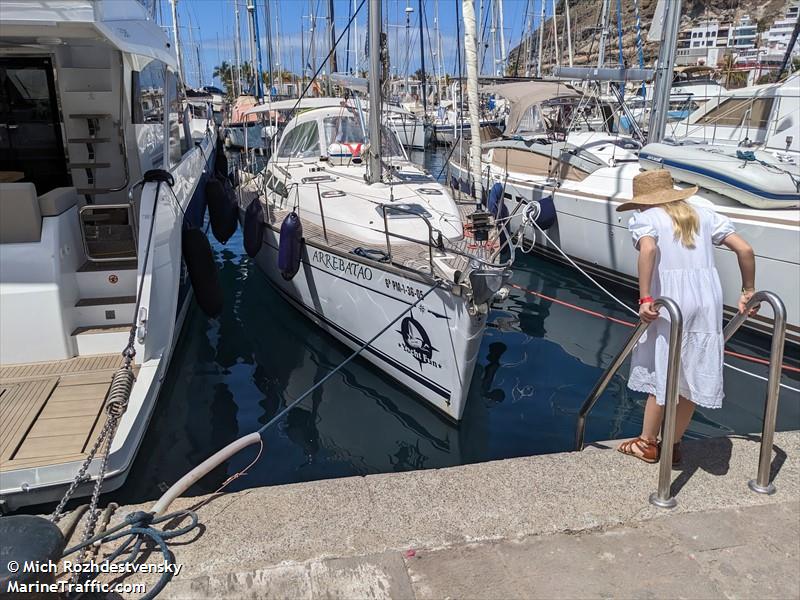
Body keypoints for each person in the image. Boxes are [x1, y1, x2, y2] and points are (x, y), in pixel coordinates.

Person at [616, 170, 757, 464]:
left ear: (644, 201)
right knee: (693, 372)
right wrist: (748, 290)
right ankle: (674, 444)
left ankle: (647, 443)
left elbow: (649, 249)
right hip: (708, 300)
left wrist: (644, 298)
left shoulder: (646, 218)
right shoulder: (703, 214)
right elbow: (745, 249)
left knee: (662, 371)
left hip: (671, 300)